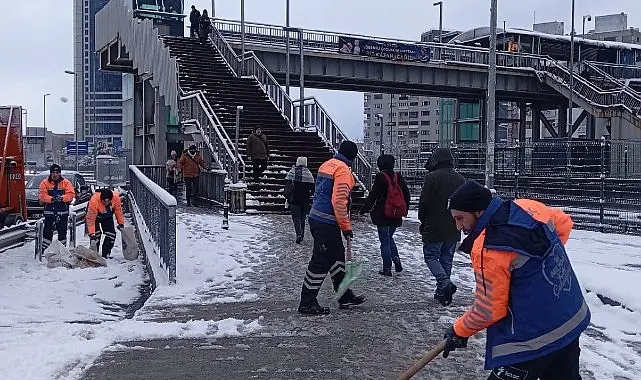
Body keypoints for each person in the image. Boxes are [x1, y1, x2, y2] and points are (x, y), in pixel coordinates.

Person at [442, 180, 590, 380]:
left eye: (460, 218)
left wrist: (459, 331)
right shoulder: (526, 207)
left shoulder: (488, 247)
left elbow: (488, 310)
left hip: (533, 337)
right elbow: (563, 223)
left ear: (478, 211)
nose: (458, 226)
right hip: (569, 319)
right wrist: (540, 267)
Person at [298, 141, 365, 315]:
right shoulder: (343, 170)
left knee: (337, 258)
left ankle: (344, 295)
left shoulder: (327, 164)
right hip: (327, 221)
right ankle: (307, 301)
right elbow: (339, 201)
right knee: (320, 261)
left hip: (317, 217)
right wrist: (346, 226)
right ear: (353, 157)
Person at [418, 148, 465, 306]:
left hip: (434, 225)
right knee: (447, 259)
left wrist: (422, 219)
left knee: (431, 257)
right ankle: (442, 293)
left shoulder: (431, 177)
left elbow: (424, 202)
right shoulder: (460, 179)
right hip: (453, 226)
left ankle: (444, 283)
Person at [360, 154, 410, 277]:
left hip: (383, 215)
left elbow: (373, 195)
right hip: (396, 214)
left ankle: (387, 268)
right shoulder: (398, 176)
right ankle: (396, 259)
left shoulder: (380, 177)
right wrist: (404, 209)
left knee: (385, 242)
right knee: (389, 238)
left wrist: (364, 209)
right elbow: (406, 194)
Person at [38, 164, 75, 251]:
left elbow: (71, 195)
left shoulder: (66, 183)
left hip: (63, 212)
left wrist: (62, 198)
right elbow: (42, 196)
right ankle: (45, 251)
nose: (55, 174)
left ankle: (61, 251)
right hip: (49, 212)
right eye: (53, 172)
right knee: (47, 232)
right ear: (50, 173)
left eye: (57, 172)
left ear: (60, 173)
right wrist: (51, 199)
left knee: (62, 233)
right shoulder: (44, 183)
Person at [284, 156, 315, 244]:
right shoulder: (308, 174)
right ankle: (302, 234)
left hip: (294, 199)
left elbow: (287, 186)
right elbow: (313, 188)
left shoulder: (292, 172)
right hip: (305, 200)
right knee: (302, 217)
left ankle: (298, 234)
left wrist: (287, 196)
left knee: (296, 217)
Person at [86, 189, 126, 259]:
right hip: (95, 216)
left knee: (111, 234)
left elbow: (118, 211)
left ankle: (106, 253)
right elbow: (91, 219)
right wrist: (92, 233)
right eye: (104, 201)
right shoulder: (94, 201)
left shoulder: (116, 198)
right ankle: (95, 254)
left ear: (111, 199)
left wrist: (121, 223)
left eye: (108, 201)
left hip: (107, 216)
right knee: (96, 235)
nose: (106, 203)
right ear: (101, 199)